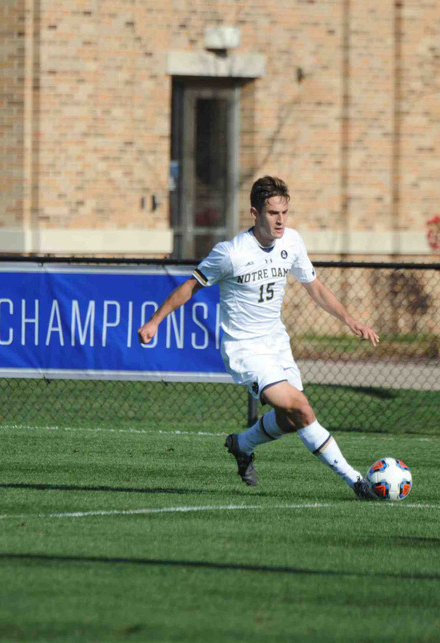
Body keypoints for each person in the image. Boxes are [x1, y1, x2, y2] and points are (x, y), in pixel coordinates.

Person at [138, 176, 381, 499]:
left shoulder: (291, 242)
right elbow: (190, 287)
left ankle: (241, 444)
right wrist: (155, 321)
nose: (280, 220)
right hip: (244, 348)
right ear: (255, 213)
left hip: (276, 342)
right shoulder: (231, 253)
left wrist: (348, 318)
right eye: (272, 213)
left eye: (284, 212)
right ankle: (356, 481)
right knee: (301, 407)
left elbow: (316, 288)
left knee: (291, 420)